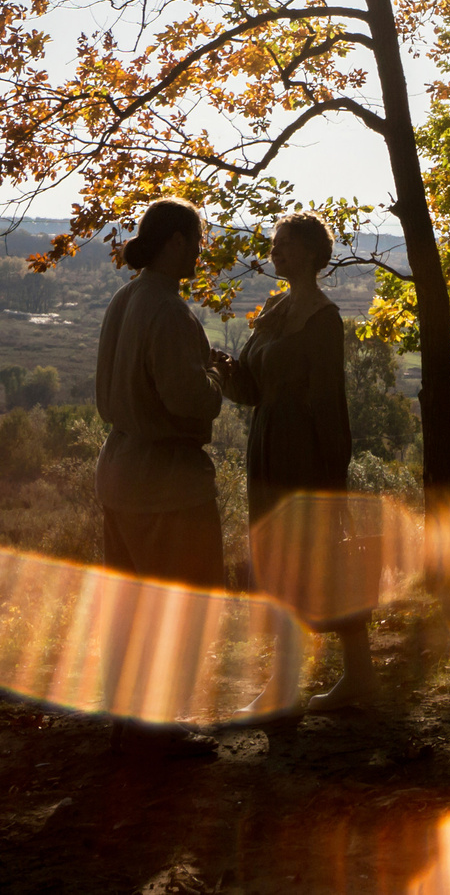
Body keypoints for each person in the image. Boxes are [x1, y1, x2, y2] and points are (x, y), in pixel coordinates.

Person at [213, 212, 373, 710]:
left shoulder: (323, 318)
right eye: (274, 244)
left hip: (302, 452)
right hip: (266, 445)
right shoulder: (277, 309)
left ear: (309, 252)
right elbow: (254, 389)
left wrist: (333, 474)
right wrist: (220, 368)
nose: (275, 252)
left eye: (284, 245)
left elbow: (330, 400)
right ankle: (348, 678)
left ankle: (296, 685)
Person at [95, 197, 226, 756]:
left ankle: (129, 724)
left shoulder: (125, 299)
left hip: (120, 473)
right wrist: (214, 383)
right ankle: (159, 733)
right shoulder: (169, 311)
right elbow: (188, 399)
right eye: (196, 241)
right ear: (175, 241)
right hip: (167, 484)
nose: (200, 252)